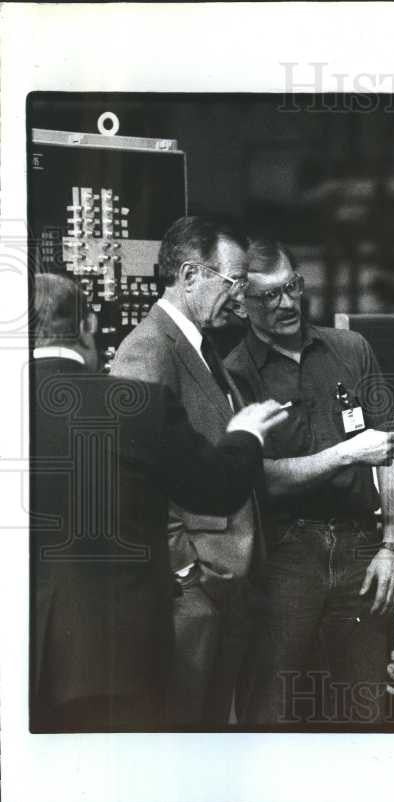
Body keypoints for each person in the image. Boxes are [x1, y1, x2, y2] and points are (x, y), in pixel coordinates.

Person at [30, 274, 288, 731]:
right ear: (88, 326)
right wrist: (245, 433)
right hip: (113, 656)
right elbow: (215, 489)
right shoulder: (137, 404)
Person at [225, 238, 394, 725]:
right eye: (266, 296)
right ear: (240, 303)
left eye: (291, 287)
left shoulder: (350, 349)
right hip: (285, 556)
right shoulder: (235, 374)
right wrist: (345, 453)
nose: (285, 304)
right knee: (274, 710)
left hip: (360, 550)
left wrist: (392, 545)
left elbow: (390, 450)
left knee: (364, 711)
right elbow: (262, 482)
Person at [110, 216, 262, 726]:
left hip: (224, 582)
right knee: (186, 733)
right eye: (233, 281)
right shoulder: (147, 350)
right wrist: (184, 572)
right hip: (194, 590)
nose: (239, 296)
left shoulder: (202, 345)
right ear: (191, 274)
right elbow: (134, 473)